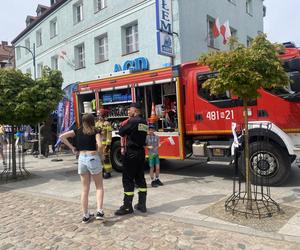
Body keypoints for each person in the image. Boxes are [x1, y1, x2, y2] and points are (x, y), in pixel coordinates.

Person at [60, 113, 105, 223]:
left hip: (81, 158)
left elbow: (62, 137)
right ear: (92, 120)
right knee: (99, 186)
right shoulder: (95, 131)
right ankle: (99, 211)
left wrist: (72, 148)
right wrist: (101, 154)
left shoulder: (77, 130)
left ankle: (85, 215)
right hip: (93, 157)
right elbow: (99, 144)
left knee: (85, 189)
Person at [115, 103, 148, 215]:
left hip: (131, 153)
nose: (128, 112)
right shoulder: (144, 121)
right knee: (140, 178)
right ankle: (142, 204)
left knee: (128, 179)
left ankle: (127, 206)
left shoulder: (133, 121)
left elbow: (121, 132)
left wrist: (128, 121)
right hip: (141, 152)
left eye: (129, 110)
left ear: (135, 110)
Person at [95, 109, 113, 179]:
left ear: (104, 115)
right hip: (98, 144)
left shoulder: (107, 123)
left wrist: (108, 145)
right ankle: (102, 170)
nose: (98, 116)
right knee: (99, 159)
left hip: (104, 145)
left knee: (106, 158)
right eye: (98, 115)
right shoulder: (97, 124)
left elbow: (109, 134)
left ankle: (108, 172)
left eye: (100, 115)